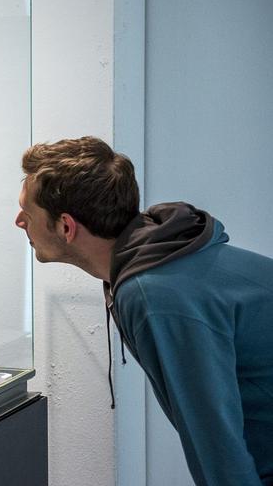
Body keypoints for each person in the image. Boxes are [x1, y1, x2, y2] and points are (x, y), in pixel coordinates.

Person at [15, 136, 272, 486]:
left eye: (27, 213)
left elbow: (218, 449)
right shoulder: (162, 258)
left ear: (66, 227)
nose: (19, 221)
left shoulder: (154, 294)